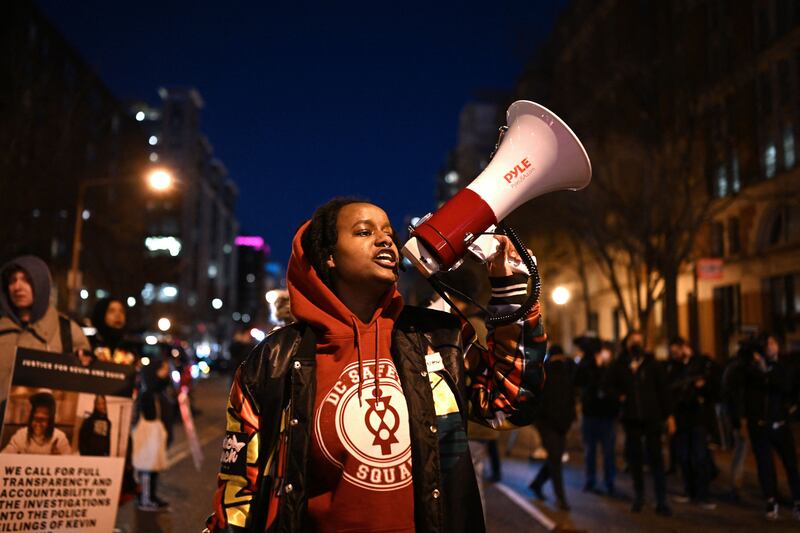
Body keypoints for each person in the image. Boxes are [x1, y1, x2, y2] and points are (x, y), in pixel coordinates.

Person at [205, 198, 547, 532]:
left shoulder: (437, 337)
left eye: (389, 233)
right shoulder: (273, 361)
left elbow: (510, 405)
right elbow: (239, 491)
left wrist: (511, 288)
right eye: (364, 232)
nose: (385, 240)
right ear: (328, 256)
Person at [0, 256, 90, 393]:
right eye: (13, 280)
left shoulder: (67, 330)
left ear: (41, 284)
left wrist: (86, 359)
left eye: (27, 280)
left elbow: (83, 382)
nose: (17, 287)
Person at [608, 330, 673, 516]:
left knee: (656, 460)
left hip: (652, 419)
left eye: (639, 340)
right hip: (631, 419)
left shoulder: (653, 364)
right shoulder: (620, 365)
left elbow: (663, 390)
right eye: (632, 340)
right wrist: (619, 397)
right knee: (635, 460)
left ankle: (661, 500)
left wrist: (668, 415)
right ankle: (639, 497)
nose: (636, 344)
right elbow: (607, 385)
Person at [740, 335, 800, 521]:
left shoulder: (783, 366)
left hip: (781, 424)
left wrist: (766, 371)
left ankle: (797, 500)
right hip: (760, 425)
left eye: (774, 343)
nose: (772, 346)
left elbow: (785, 385)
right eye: (768, 344)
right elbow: (745, 391)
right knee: (765, 466)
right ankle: (771, 500)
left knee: (791, 464)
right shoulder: (751, 370)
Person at [667, 337, 718, 509]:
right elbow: (671, 391)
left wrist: (701, 386)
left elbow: (711, 388)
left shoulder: (699, 365)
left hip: (698, 418)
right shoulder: (674, 368)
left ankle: (703, 494)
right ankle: (689, 491)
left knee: (700, 456)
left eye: (679, 349)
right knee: (684, 457)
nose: (677, 353)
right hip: (682, 418)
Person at [529, 344, 577, 510]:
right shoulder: (553, 372)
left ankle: (537, 484)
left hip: (553, 423)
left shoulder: (549, 372)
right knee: (556, 460)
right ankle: (561, 498)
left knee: (554, 459)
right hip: (551, 423)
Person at [574, 337, 617, 496]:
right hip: (590, 413)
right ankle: (590, 480)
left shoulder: (611, 367)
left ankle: (609, 481)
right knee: (590, 450)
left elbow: (613, 386)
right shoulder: (586, 365)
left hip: (607, 414)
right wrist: (591, 365)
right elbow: (579, 381)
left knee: (608, 451)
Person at [133, 358, 175, 512]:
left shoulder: (160, 391)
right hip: (149, 436)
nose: (166, 372)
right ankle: (145, 499)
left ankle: (151, 496)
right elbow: (150, 415)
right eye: (163, 369)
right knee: (147, 466)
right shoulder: (148, 393)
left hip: (156, 435)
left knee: (154, 467)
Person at [2, 391, 71, 455]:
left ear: (50, 420)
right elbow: (5, 456)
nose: (37, 424)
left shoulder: (59, 438)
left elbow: (69, 461)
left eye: (42, 420)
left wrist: (59, 458)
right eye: (35, 419)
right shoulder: (21, 435)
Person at [89, 297, 136, 365]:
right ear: (101, 315)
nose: (118, 315)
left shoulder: (131, 350)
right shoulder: (89, 346)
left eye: (122, 311)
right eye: (111, 311)